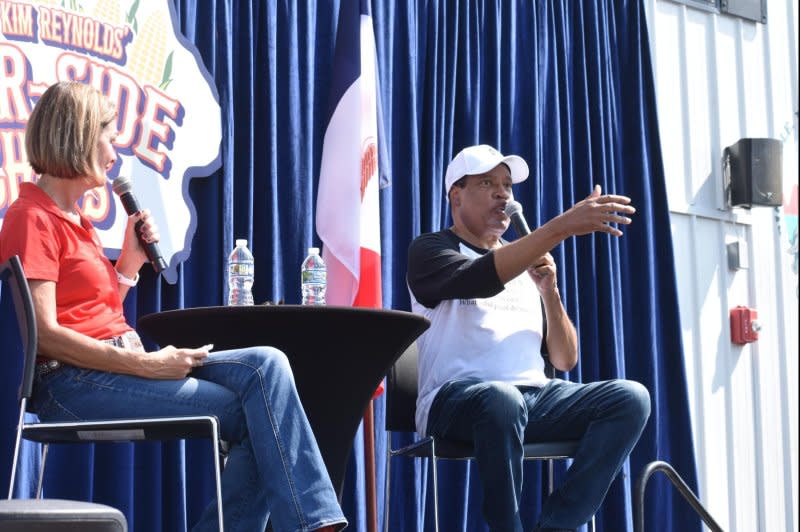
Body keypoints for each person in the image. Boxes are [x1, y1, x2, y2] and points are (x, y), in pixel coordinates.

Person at [0, 81, 347, 532]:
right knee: (264, 421)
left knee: (267, 366)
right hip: (70, 384)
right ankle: (311, 523)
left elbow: (91, 315)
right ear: (79, 135)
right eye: (107, 134)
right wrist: (146, 366)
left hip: (112, 366)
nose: (114, 148)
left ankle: (311, 521)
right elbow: (45, 334)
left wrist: (128, 266)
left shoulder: (77, 220)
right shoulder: (31, 217)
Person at [406, 144, 651, 532]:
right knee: (500, 399)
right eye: (488, 183)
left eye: (507, 185)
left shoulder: (525, 263)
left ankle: (556, 526)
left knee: (630, 397)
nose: (503, 194)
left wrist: (549, 293)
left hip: (533, 399)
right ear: (456, 195)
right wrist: (560, 227)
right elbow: (482, 278)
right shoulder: (432, 249)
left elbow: (565, 359)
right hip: (455, 400)